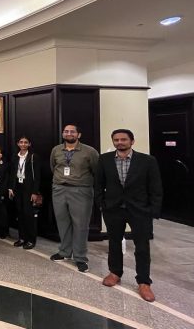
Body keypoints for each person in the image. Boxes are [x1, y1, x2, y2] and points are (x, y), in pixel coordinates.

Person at [95, 129, 163, 302]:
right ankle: (115, 273)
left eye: (123, 139)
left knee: (142, 247)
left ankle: (143, 282)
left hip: (140, 210)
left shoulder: (147, 161)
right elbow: (98, 185)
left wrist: (153, 210)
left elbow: (155, 188)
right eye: (116, 140)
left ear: (132, 141)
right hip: (113, 209)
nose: (119, 142)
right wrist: (102, 205)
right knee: (114, 242)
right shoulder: (104, 160)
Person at [49, 124, 99, 273]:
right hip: (59, 189)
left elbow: (96, 170)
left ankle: (80, 258)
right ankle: (64, 252)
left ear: (79, 134)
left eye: (72, 131)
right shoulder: (56, 150)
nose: (68, 133)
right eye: (66, 131)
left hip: (81, 191)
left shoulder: (89, 151)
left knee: (81, 225)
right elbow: (53, 167)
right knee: (63, 222)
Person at [8, 135, 41, 250]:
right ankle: (22, 238)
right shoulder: (15, 157)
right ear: (18, 144)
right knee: (20, 214)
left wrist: (35, 192)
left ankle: (31, 240)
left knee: (29, 215)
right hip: (18, 187)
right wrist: (11, 188)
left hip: (29, 189)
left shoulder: (33, 157)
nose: (23, 144)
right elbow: (12, 173)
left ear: (29, 144)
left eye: (25, 142)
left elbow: (37, 176)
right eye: (21, 142)